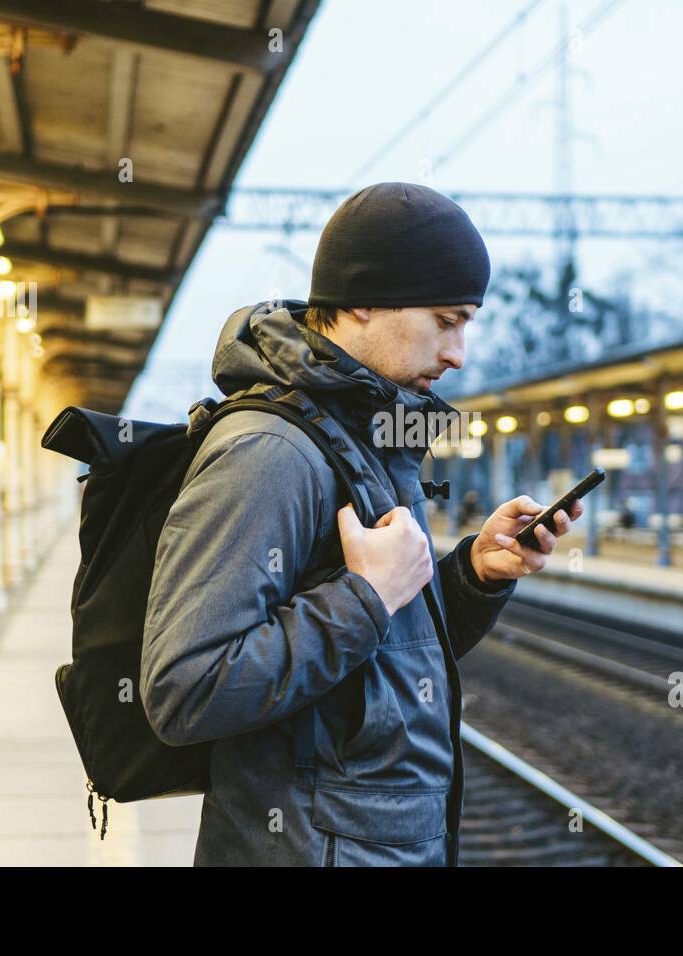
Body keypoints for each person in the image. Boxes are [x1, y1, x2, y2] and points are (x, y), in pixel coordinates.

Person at [141, 182, 582, 867]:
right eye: (447, 319)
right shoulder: (270, 452)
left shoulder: (366, 436)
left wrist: (468, 575)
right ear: (363, 300)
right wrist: (365, 596)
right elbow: (184, 689)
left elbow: (380, 664)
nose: (459, 352)